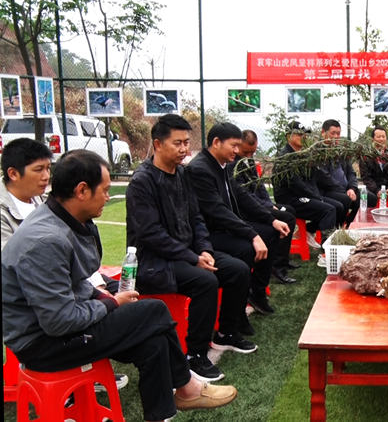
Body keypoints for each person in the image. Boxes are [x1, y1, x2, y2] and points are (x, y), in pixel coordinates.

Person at [2, 150, 237, 422]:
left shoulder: (64, 219)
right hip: (42, 344)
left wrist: (101, 295)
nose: (107, 196)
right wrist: (112, 303)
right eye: (104, 190)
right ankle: (187, 387)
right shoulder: (45, 240)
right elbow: (59, 321)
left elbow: (75, 283)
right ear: (81, 191)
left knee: (153, 342)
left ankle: (161, 415)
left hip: (60, 326)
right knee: (153, 311)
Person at [127, 115, 257, 382]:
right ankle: (195, 354)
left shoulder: (183, 174)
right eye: (178, 143)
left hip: (188, 254)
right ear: (158, 145)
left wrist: (205, 249)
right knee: (205, 282)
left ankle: (226, 333)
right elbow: (151, 234)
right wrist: (192, 257)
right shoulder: (142, 181)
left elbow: (197, 218)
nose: (185, 149)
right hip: (154, 262)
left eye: (187, 142)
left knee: (238, 269)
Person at [1, 138, 128, 392]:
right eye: (38, 169)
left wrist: (98, 288)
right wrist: (104, 301)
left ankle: (93, 370)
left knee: (133, 299)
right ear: (13, 174)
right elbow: (39, 273)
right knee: (145, 314)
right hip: (37, 314)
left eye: (49, 168)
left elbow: (70, 261)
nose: (46, 176)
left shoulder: (44, 202)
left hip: (63, 292)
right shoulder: (26, 226)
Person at [186, 122, 291, 316]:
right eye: (234, 145)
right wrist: (252, 235)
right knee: (247, 247)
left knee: (271, 231)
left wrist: (270, 219)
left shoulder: (222, 165)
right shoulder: (199, 169)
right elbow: (216, 211)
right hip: (210, 234)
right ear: (216, 142)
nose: (237, 150)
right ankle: (235, 312)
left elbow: (241, 196)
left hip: (226, 227)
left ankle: (257, 291)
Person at [232, 130, 299, 284]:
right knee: (287, 218)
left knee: (289, 210)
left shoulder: (249, 160)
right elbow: (245, 196)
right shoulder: (233, 164)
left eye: (252, 152)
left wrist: (270, 204)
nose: (249, 155)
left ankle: (283, 258)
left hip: (260, 204)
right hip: (247, 209)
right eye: (245, 152)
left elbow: (260, 186)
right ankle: (276, 264)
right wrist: (266, 207)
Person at [273, 121, 338, 267]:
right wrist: (315, 198)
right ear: (288, 136)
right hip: (291, 199)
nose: (303, 137)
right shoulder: (285, 157)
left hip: (305, 195)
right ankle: (326, 253)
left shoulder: (303, 155)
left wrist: (317, 197)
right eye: (299, 134)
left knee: (338, 206)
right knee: (328, 210)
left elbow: (311, 179)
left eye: (304, 134)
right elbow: (296, 185)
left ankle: (314, 233)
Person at [315, 119, 360, 226]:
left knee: (366, 197)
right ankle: (336, 227)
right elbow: (323, 178)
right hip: (327, 190)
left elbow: (351, 173)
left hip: (345, 189)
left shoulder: (341, 151)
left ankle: (348, 224)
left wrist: (351, 188)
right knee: (345, 199)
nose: (336, 136)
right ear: (323, 132)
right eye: (333, 133)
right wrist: (343, 190)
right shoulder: (317, 152)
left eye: (338, 134)